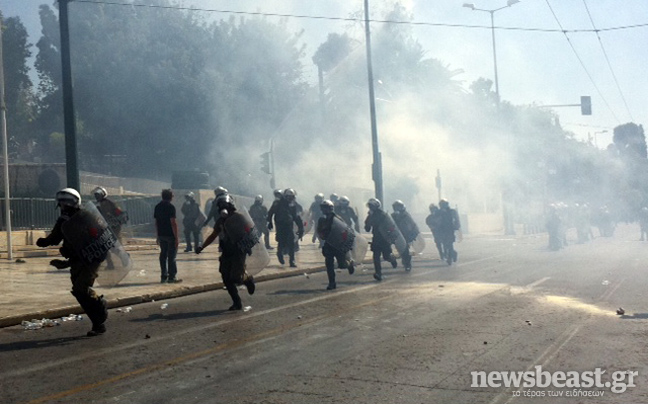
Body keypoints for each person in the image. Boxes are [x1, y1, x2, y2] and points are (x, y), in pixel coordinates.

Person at [36, 188, 108, 337]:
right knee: (77, 291)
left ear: (74, 203)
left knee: (82, 287)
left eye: (66, 204)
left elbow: (100, 235)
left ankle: (100, 312)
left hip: (90, 258)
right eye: (61, 204)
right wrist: (44, 242)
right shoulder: (63, 220)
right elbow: (55, 237)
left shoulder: (86, 216)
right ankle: (97, 322)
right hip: (75, 259)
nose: (63, 207)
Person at [196, 194, 256, 310]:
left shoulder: (239, 217)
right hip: (227, 251)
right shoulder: (220, 221)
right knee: (226, 278)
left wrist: (248, 246)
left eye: (225, 205)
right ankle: (237, 303)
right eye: (221, 205)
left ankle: (248, 280)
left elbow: (251, 231)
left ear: (231, 205)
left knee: (235, 277)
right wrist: (202, 247)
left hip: (239, 251)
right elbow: (213, 235)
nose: (223, 207)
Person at [317, 200, 355, 290]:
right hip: (329, 244)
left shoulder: (337, 219)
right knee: (329, 264)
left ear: (330, 208)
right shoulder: (322, 220)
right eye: (323, 208)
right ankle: (332, 283)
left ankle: (349, 264)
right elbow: (320, 231)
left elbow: (345, 230)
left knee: (342, 265)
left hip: (338, 245)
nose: (323, 210)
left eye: (325, 208)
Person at [93, 186, 128, 269]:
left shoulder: (108, 203)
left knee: (111, 247)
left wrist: (114, 223)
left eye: (98, 195)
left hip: (112, 228)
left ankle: (123, 258)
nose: (97, 197)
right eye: (96, 195)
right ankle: (112, 263)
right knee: (106, 247)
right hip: (107, 228)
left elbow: (118, 214)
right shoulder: (102, 204)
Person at [267, 188, 303, 267]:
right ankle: (279, 253)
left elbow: (296, 216)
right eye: (289, 197)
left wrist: (301, 227)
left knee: (291, 242)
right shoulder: (277, 203)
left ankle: (292, 260)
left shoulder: (292, 205)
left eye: (292, 197)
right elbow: (270, 212)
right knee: (281, 241)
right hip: (280, 226)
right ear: (285, 196)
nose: (290, 198)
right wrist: (269, 222)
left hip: (289, 226)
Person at [364, 198, 397, 281]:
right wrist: (369, 220)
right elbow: (367, 228)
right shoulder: (370, 215)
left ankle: (392, 259)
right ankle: (378, 273)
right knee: (376, 257)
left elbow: (390, 226)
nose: (371, 208)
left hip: (384, 238)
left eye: (372, 206)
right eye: (370, 206)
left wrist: (391, 236)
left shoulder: (383, 215)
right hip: (376, 238)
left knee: (386, 256)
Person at [154, 189, 182, 283]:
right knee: (172, 256)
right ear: (170, 197)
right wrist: (176, 237)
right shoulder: (171, 207)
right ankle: (172, 276)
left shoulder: (157, 207)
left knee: (163, 255)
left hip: (162, 234)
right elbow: (173, 223)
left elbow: (156, 223)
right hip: (170, 234)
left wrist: (157, 235)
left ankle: (163, 275)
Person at [391, 200, 419, 271]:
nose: (397, 208)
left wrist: (413, 234)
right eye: (396, 207)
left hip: (406, 235)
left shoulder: (406, 215)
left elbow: (412, 224)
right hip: (397, 235)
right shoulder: (393, 216)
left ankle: (407, 264)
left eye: (398, 207)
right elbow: (390, 225)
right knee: (401, 250)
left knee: (405, 250)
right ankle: (405, 261)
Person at [437, 199, 461, 265]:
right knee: (445, 244)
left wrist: (456, 226)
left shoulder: (451, 211)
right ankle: (453, 254)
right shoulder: (439, 212)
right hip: (442, 230)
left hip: (450, 230)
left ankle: (450, 257)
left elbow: (456, 219)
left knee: (449, 244)